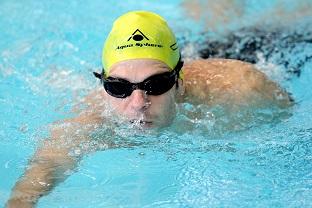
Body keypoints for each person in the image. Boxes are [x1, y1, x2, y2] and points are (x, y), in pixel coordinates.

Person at [6, 10, 292, 207]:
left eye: (156, 85)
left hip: (244, 54)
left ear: (179, 83)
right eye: (118, 87)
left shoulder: (243, 89)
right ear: (102, 85)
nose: (138, 103)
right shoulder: (89, 119)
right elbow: (44, 169)